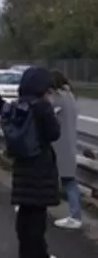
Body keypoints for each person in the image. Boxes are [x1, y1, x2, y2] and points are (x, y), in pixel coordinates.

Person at [11, 67, 60, 258]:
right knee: (37, 220)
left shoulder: (18, 105)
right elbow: (53, 134)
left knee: (24, 215)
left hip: (22, 165)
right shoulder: (42, 106)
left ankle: (27, 253)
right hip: (40, 167)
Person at [49, 70, 82, 229]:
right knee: (69, 179)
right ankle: (76, 215)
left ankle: (75, 216)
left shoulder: (57, 99)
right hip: (69, 143)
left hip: (58, 145)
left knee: (59, 178)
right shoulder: (70, 96)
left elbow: (47, 114)